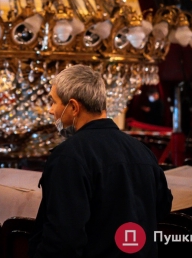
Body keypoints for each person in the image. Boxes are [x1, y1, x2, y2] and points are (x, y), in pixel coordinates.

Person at [29, 64, 173, 258]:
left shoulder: (69, 156)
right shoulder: (142, 151)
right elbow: (162, 207)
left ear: (73, 107)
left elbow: (63, 239)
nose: (51, 110)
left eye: (54, 102)